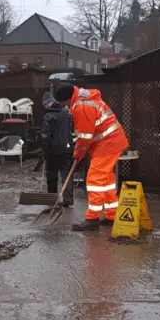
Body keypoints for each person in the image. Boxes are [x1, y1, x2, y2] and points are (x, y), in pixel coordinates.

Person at [54, 83, 129, 231]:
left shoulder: (81, 107)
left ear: (68, 99)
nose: (65, 106)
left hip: (108, 143)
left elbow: (84, 137)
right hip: (110, 141)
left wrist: (78, 153)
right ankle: (111, 215)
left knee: (95, 179)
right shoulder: (84, 99)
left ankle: (92, 218)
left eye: (64, 103)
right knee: (106, 180)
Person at [41, 92, 74, 205]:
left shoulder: (47, 116)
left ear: (48, 104)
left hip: (53, 151)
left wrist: (45, 152)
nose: (45, 107)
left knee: (51, 175)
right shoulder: (67, 113)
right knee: (67, 175)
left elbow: (46, 136)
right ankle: (68, 199)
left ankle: (52, 198)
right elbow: (72, 130)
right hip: (68, 149)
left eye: (45, 105)